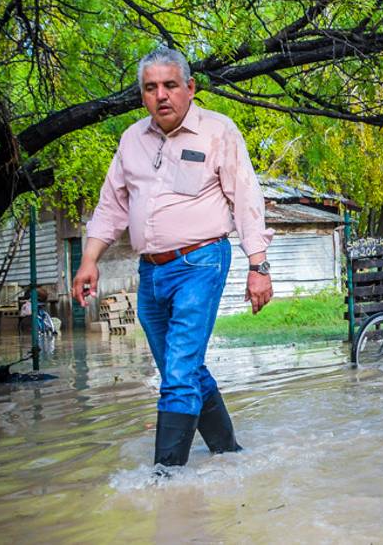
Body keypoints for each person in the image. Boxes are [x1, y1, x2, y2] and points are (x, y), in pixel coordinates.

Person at [72, 47, 273, 470]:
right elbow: (111, 206)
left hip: (201, 262)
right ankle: (228, 455)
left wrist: (258, 266)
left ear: (190, 88)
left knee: (179, 371)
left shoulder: (218, 131)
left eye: (170, 85)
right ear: (142, 94)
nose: (161, 95)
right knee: (182, 368)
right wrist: (90, 259)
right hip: (150, 271)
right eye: (151, 88)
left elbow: (246, 199)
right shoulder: (131, 140)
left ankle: (164, 479)